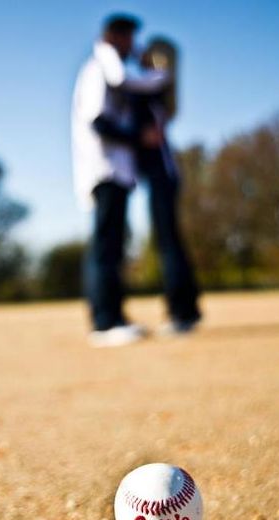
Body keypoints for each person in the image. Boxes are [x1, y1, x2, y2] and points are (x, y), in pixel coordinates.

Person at [72, 14, 170, 347]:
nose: (133, 45)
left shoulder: (118, 75)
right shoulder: (98, 70)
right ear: (115, 37)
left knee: (115, 246)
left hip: (119, 171)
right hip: (104, 169)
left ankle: (115, 316)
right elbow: (98, 122)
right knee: (105, 246)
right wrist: (138, 138)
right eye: (129, 38)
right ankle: (104, 323)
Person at [135, 39, 201, 333]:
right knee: (170, 241)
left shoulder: (153, 89)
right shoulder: (157, 94)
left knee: (168, 243)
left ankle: (181, 312)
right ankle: (187, 309)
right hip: (161, 174)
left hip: (162, 173)